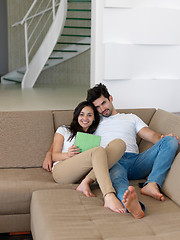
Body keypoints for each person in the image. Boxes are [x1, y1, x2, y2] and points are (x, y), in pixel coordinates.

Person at [86, 83, 179, 219]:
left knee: (171, 141)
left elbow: (153, 136)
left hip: (136, 161)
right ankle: (136, 206)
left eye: (103, 103)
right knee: (117, 179)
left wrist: (164, 139)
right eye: (97, 107)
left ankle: (152, 183)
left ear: (110, 98)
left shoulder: (131, 118)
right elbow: (71, 134)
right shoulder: (93, 123)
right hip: (113, 161)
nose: (102, 109)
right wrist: (50, 153)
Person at [48, 100, 126, 213]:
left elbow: (101, 159)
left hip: (86, 173)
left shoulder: (95, 136)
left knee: (119, 143)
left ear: (94, 118)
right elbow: (54, 155)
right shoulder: (64, 130)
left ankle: (86, 182)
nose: (85, 118)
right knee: (98, 151)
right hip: (62, 171)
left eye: (89, 115)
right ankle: (108, 195)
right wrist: (67, 155)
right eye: (82, 114)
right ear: (77, 116)